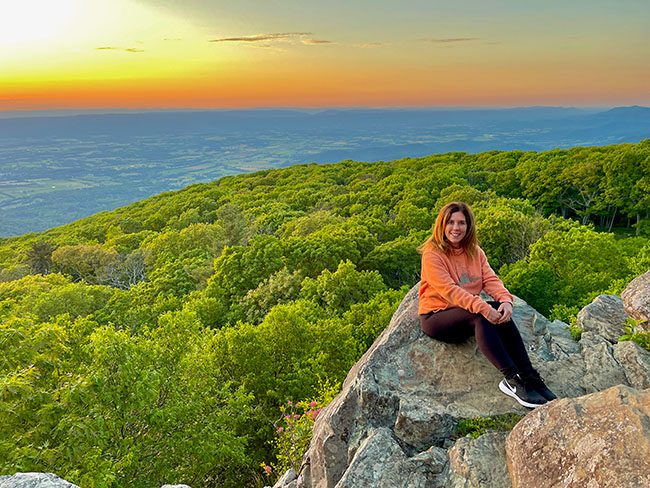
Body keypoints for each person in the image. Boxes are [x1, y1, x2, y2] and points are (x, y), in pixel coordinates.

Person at [418, 201, 557, 408]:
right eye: (451, 222)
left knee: (498, 311)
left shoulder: (475, 251)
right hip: (437, 317)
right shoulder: (433, 254)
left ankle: (529, 376)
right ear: (442, 225)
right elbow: (450, 291)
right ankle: (511, 379)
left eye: (462, 223)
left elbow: (490, 280)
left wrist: (506, 301)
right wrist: (484, 308)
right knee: (482, 314)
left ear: (469, 226)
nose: (456, 228)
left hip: (464, 312)